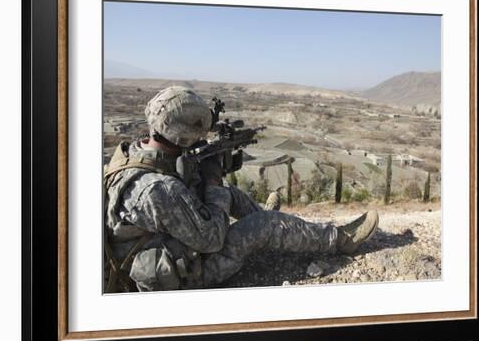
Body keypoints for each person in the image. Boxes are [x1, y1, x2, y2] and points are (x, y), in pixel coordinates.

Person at [103, 86, 378, 293]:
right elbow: (211, 240)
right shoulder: (157, 189)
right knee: (262, 224)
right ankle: (341, 240)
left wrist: (204, 176)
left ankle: (278, 229)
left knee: (232, 197)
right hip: (183, 276)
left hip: (165, 245)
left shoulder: (135, 154)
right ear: (183, 135)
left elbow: (178, 196)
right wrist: (212, 181)